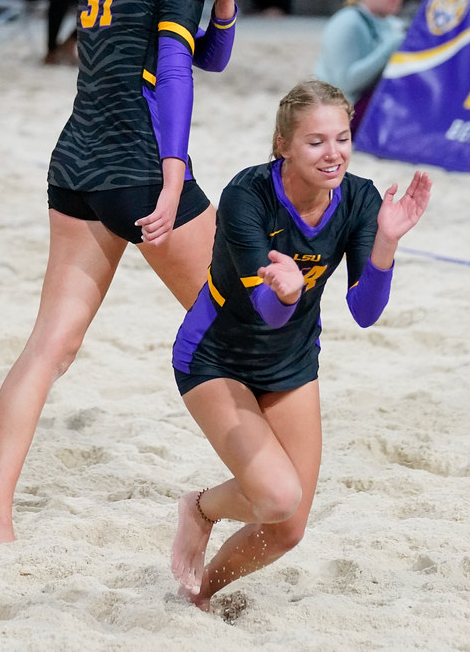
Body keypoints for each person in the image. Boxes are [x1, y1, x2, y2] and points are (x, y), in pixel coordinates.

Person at [0, 0, 237, 548]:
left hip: (75, 167)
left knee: (49, 347)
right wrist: (175, 175)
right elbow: (176, 76)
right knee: (248, 325)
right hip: (141, 168)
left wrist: (227, 2)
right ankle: (263, 491)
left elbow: (197, 55)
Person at [169, 79, 432, 611]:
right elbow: (267, 311)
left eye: (342, 138)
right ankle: (199, 509)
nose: (333, 153)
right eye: (316, 142)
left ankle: (200, 597)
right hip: (217, 358)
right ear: (283, 145)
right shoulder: (248, 195)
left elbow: (363, 311)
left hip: (290, 363)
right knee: (276, 495)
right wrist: (287, 292)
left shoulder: (359, 197)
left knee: (288, 528)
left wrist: (385, 243)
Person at [314, 0, 408, 133]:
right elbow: (345, 83)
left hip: (365, 105)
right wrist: (389, 49)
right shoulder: (348, 22)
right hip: (340, 110)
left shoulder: (391, 24)